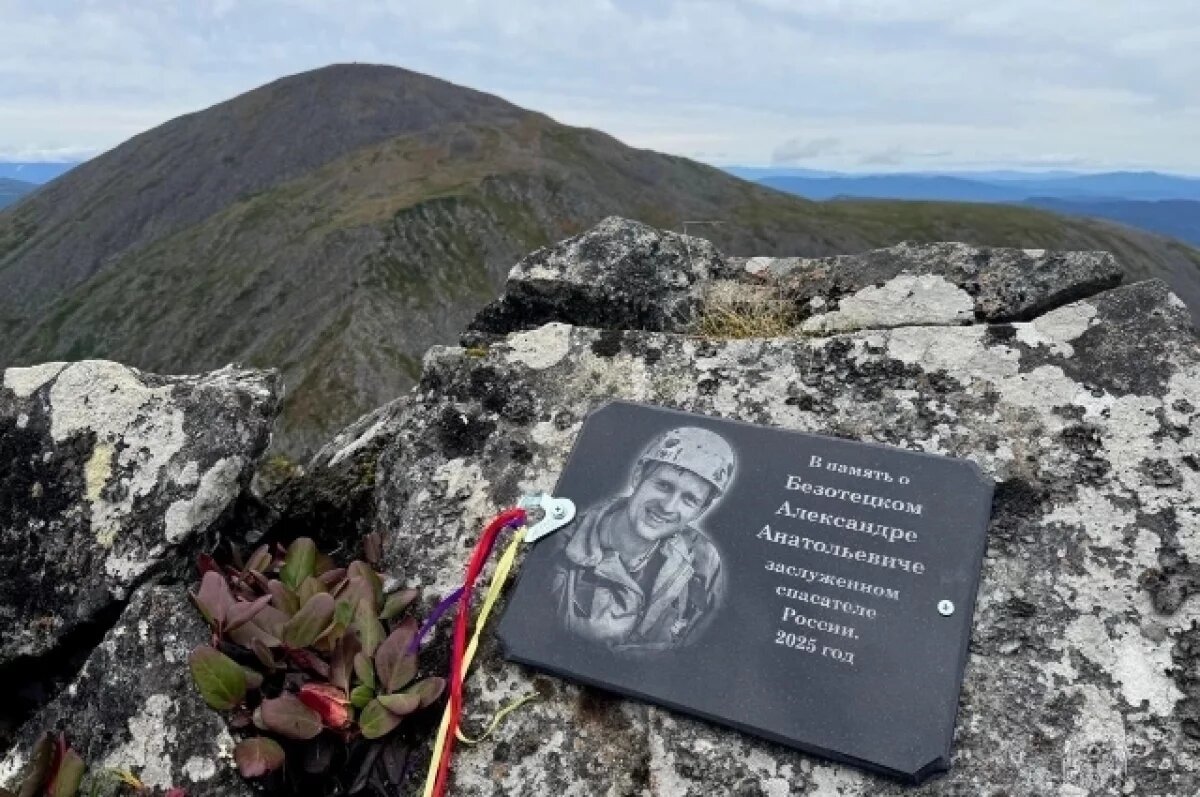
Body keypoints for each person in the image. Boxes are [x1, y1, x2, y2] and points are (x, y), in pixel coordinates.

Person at [549, 426, 736, 654]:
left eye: (689, 499)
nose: (668, 506)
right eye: (664, 485)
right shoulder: (560, 544)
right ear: (638, 476)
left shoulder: (703, 561)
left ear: (700, 511)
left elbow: (696, 651)